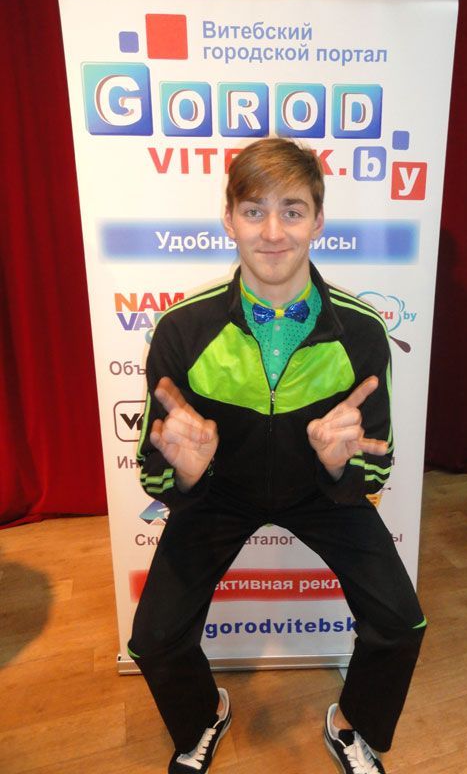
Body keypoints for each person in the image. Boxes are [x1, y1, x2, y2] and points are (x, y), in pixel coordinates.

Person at [128, 137, 426, 774]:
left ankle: (351, 723)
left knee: (401, 622)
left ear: (318, 221)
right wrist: (187, 474)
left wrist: (338, 464)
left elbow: (376, 466)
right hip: (219, 494)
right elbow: (154, 469)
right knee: (152, 639)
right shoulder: (181, 328)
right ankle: (205, 715)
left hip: (320, 493)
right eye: (254, 210)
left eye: (292, 211)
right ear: (228, 219)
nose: (271, 232)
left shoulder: (362, 331)